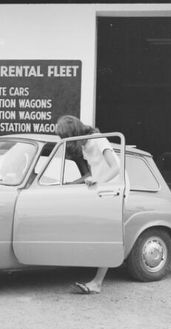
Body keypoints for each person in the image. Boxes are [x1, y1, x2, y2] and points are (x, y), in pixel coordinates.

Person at [56, 115, 120, 294]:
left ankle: (97, 283)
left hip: (115, 189)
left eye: (65, 136)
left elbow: (115, 167)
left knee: (106, 235)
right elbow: (90, 174)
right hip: (102, 190)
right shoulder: (84, 146)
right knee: (97, 232)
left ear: (73, 132)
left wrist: (100, 183)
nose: (64, 141)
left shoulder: (98, 140)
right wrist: (72, 184)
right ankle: (95, 280)